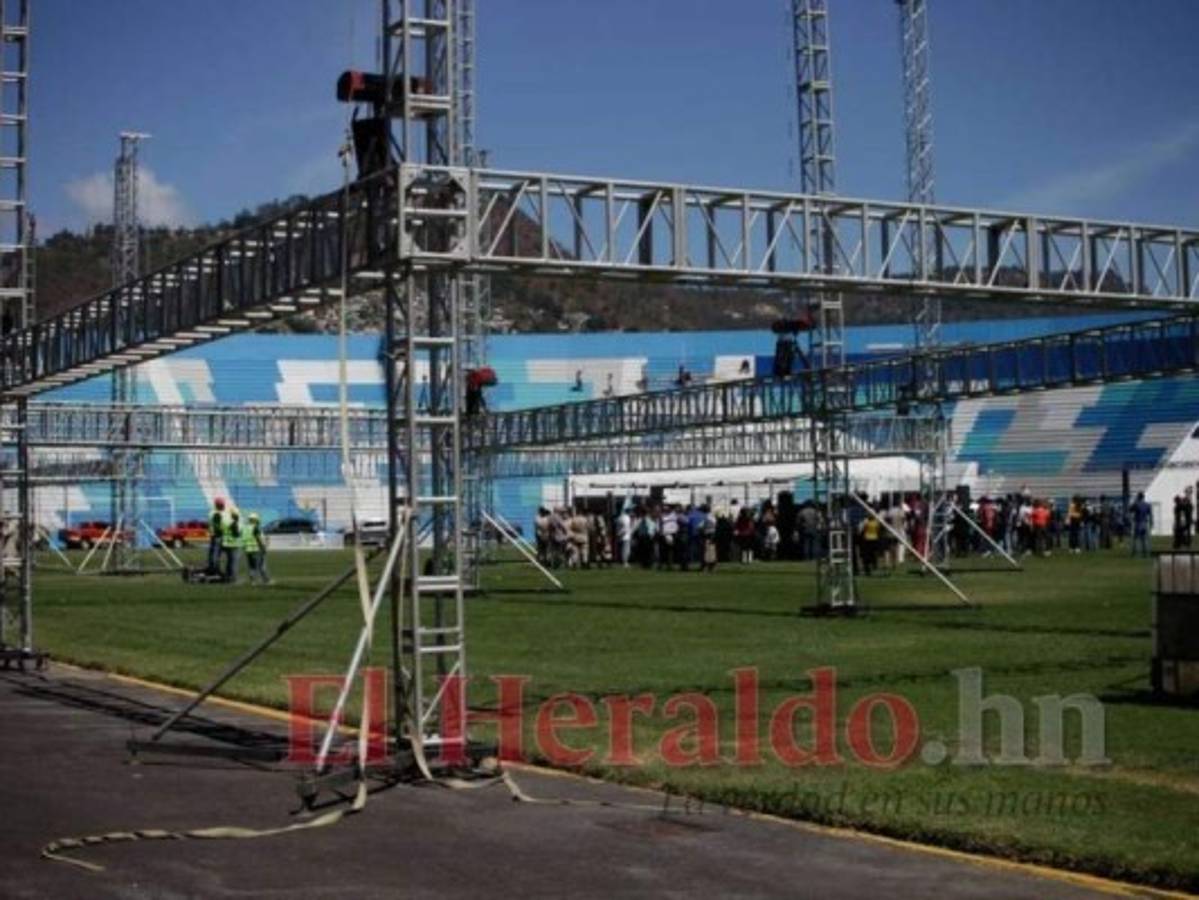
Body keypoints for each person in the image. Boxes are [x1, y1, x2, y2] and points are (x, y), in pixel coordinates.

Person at [244, 512, 271, 585]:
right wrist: (263, 547)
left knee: (251, 567)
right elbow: (258, 538)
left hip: (247, 550)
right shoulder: (255, 528)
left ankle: (252, 581)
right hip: (256, 549)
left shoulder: (245, 528)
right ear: (255, 520)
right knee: (261, 566)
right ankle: (266, 580)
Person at [222, 508, 243, 582]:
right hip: (234, 544)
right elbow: (236, 534)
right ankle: (233, 578)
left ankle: (227, 576)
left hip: (227, 544)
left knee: (229, 561)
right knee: (234, 562)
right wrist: (241, 534)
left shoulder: (227, 522)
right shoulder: (234, 523)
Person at [1131, 492, 1153, 558]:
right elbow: (1150, 515)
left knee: (1136, 539)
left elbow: (1130, 509)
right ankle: (1146, 553)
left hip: (1138, 522)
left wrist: (1135, 501)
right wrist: (1151, 523)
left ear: (1138, 497)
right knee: (1145, 539)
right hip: (1145, 523)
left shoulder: (1136, 504)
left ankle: (1135, 553)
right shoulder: (1147, 505)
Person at [207, 497, 226, 574]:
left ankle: (212, 567)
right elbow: (218, 525)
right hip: (217, 534)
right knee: (216, 553)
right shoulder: (217, 514)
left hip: (213, 534)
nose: (223, 506)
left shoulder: (211, 512)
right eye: (222, 504)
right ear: (219, 505)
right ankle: (215, 569)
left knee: (212, 552)